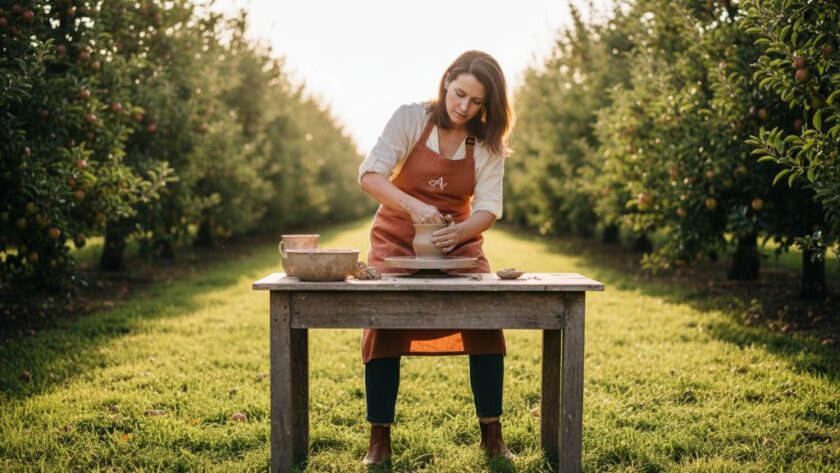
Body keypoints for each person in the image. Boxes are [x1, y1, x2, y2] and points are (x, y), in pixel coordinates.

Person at [357, 50, 515, 465]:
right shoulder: (411, 118)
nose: (464, 107)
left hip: (457, 242)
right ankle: (379, 439)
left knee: (484, 322)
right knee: (384, 326)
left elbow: (488, 207)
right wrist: (414, 209)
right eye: (459, 93)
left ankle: (492, 434)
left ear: (488, 105)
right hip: (395, 238)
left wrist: (459, 231)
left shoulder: (485, 142)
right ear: (446, 81)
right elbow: (370, 176)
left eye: (476, 101)